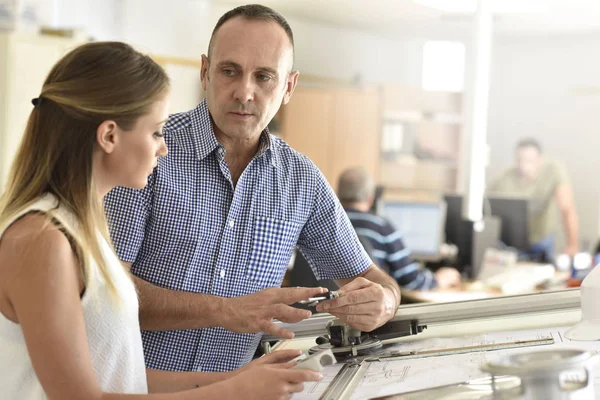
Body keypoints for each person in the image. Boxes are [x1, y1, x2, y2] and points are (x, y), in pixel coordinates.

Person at [0, 41, 322, 399]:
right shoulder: (41, 238)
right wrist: (233, 393)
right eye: (155, 132)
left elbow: (122, 374)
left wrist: (235, 379)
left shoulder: (82, 230)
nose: (163, 147)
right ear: (109, 136)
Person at [104, 4, 401, 373]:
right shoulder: (150, 152)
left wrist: (384, 302)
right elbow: (107, 295)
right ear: (205, 72)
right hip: (128, 388)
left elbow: (374, 279)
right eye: (230, 71)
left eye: (264, 77)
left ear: (288, 87)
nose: (244, 92)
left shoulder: (302, 182)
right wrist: (227, 311)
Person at [337, 167, 461, 291]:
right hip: (368, 304)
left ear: (336, 194)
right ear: (370, 198)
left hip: (327, 303)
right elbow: (409, 279)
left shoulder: (327, 225)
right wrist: (437, 280)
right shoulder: (382, 227)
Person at [488, 138, 579, 261]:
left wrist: (572, 245)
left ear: (539, 160)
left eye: (529, 160)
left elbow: (566, 208)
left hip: (542, 237)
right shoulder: (503, 179)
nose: (523, 165)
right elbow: (487, 210)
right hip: (514, 243)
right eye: (520, 160)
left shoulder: (553, 170)